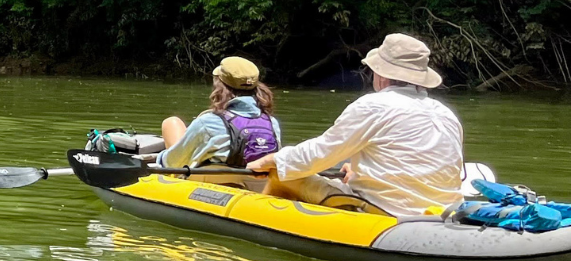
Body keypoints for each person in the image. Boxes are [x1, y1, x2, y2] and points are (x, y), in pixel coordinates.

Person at [247, 33, 463, 216]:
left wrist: (271, 159)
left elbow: (318, 154)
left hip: (386, 211)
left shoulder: (373, 105)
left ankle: (258, 223)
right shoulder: (445, 113)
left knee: (283, 172)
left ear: (382, 73)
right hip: (442, 212)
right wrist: (363, 171)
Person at [156, 56, 280, 189]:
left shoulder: (208, 122)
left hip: (210, 185)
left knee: (171, 123)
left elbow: (172, 163)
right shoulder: (272, 123)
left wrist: (160, 158)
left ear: (220, 87)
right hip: (256, 186)